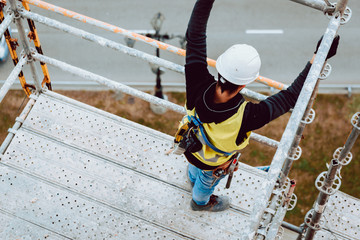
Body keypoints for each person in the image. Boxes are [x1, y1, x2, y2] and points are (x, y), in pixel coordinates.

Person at [177, 0, 340, 212]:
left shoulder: (196, 80)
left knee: (194, 169)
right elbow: (290, 96)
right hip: (213, 163)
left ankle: (191, 177)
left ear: (221, 67)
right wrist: (319, 57)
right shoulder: (248, 116)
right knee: (205, 183)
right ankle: (200, 203)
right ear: (245, 83)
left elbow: (195, 36)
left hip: (190, 146)